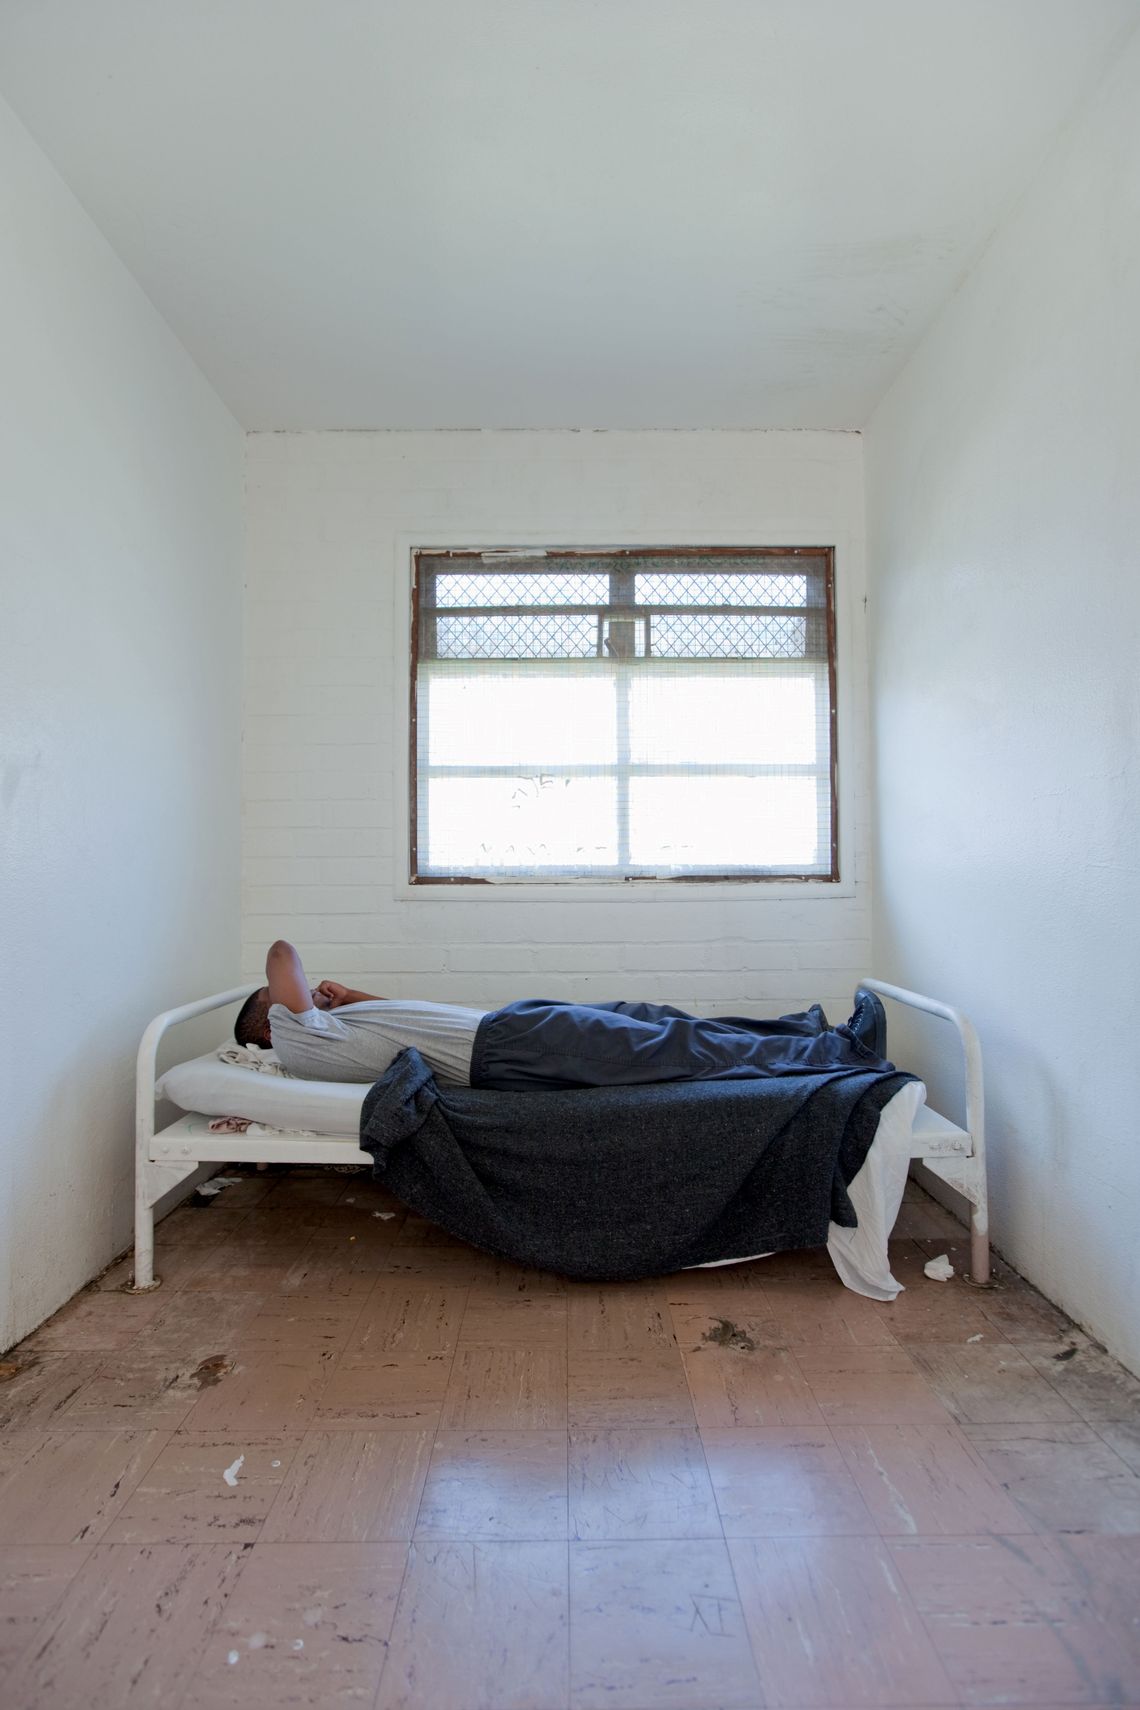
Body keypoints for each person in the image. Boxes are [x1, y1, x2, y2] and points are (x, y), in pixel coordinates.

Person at [235, 939, 890, 1091]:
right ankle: (841, 1057)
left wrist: (351, 998)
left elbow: (396, 1022)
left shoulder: (320, 1029)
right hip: (512, 1050)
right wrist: (289, 996)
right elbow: (281, 952)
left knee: (660, 1021)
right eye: (276, 1001)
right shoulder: (293, 1041)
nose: (296, 996)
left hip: (511, 1029)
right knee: (675, 1049)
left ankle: (811, 1034)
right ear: (266, 1027)